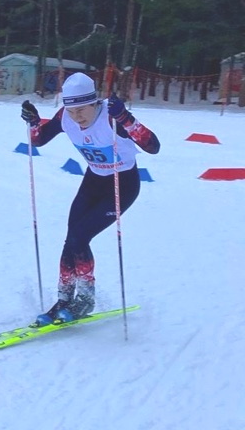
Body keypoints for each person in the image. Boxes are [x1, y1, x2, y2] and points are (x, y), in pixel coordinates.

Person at [21, 72, 160, 326]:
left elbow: (153, 146)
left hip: (122, 185)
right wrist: (32, 122)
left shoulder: (111, 116)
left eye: (82, 110)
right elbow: (38, 140)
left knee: (80, 236)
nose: (77, 117)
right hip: (93, 182)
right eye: (72, 110)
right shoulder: (66, 117)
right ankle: (64, 299)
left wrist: (126, 118)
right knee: (71, 237)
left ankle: (85, 299)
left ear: (95, 102)